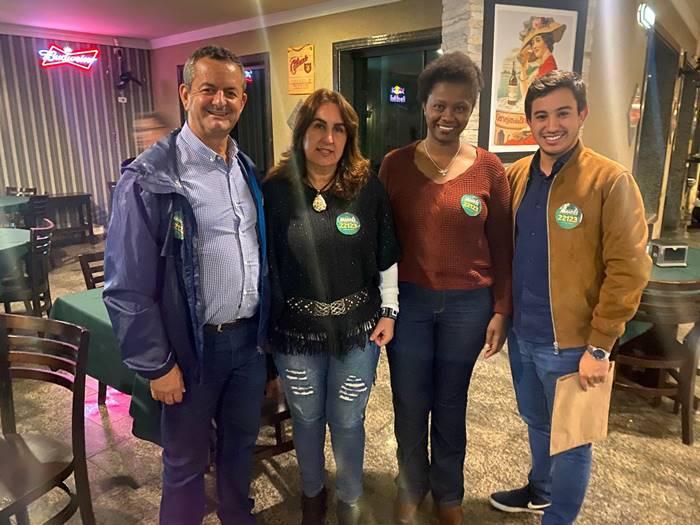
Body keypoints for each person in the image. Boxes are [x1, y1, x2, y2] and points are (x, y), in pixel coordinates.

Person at [104, 45, 268, 525]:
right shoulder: (149, 178)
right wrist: (157, 364)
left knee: (240, 449)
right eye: (208, 89)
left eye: (231, 92)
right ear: (185, 94)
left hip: (248, 345)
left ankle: (239, 517)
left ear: (243, 101)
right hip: (191, 352)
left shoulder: (245, 169)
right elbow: (126, 287)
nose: (220, 100)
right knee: (184, 464)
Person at [489, 71, 651, 525]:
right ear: (529, 122)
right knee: (538, 423)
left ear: (582, 114)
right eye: (541, 116)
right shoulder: (516, 175)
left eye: (562, 113)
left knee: (573, 441)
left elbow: (630, 268)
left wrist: (600, 346)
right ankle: (540, 491)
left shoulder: (610, 181)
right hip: (524, 336)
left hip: (575, 344)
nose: (551, 125)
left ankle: (557, 519)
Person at [379, 52, 512, 525]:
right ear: (424, 106)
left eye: (460, 107)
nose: (448, 116)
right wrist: (382, 307)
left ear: (472, 109)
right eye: (439, 105)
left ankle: (449, 493)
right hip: (409, 303)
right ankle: (411, 486)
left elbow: (503, 245)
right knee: (409, 401)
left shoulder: (490, 170)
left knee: (452, 403)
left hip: (468, 306)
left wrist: (501, 309)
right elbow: (381, 242)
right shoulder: (394, 165)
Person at [263, 88, 400, 525]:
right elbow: (263, 263)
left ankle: (350, 496)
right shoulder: (274, 191)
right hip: (295, 334)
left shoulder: (367, 186)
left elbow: (386, 253)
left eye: (339, 129)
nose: (329, 138)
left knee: (347, 419)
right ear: (302, 131)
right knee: (305, 418)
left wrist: (390, 311)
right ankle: (311, 494)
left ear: (349, 137)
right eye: (319, 126)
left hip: (358, 330)